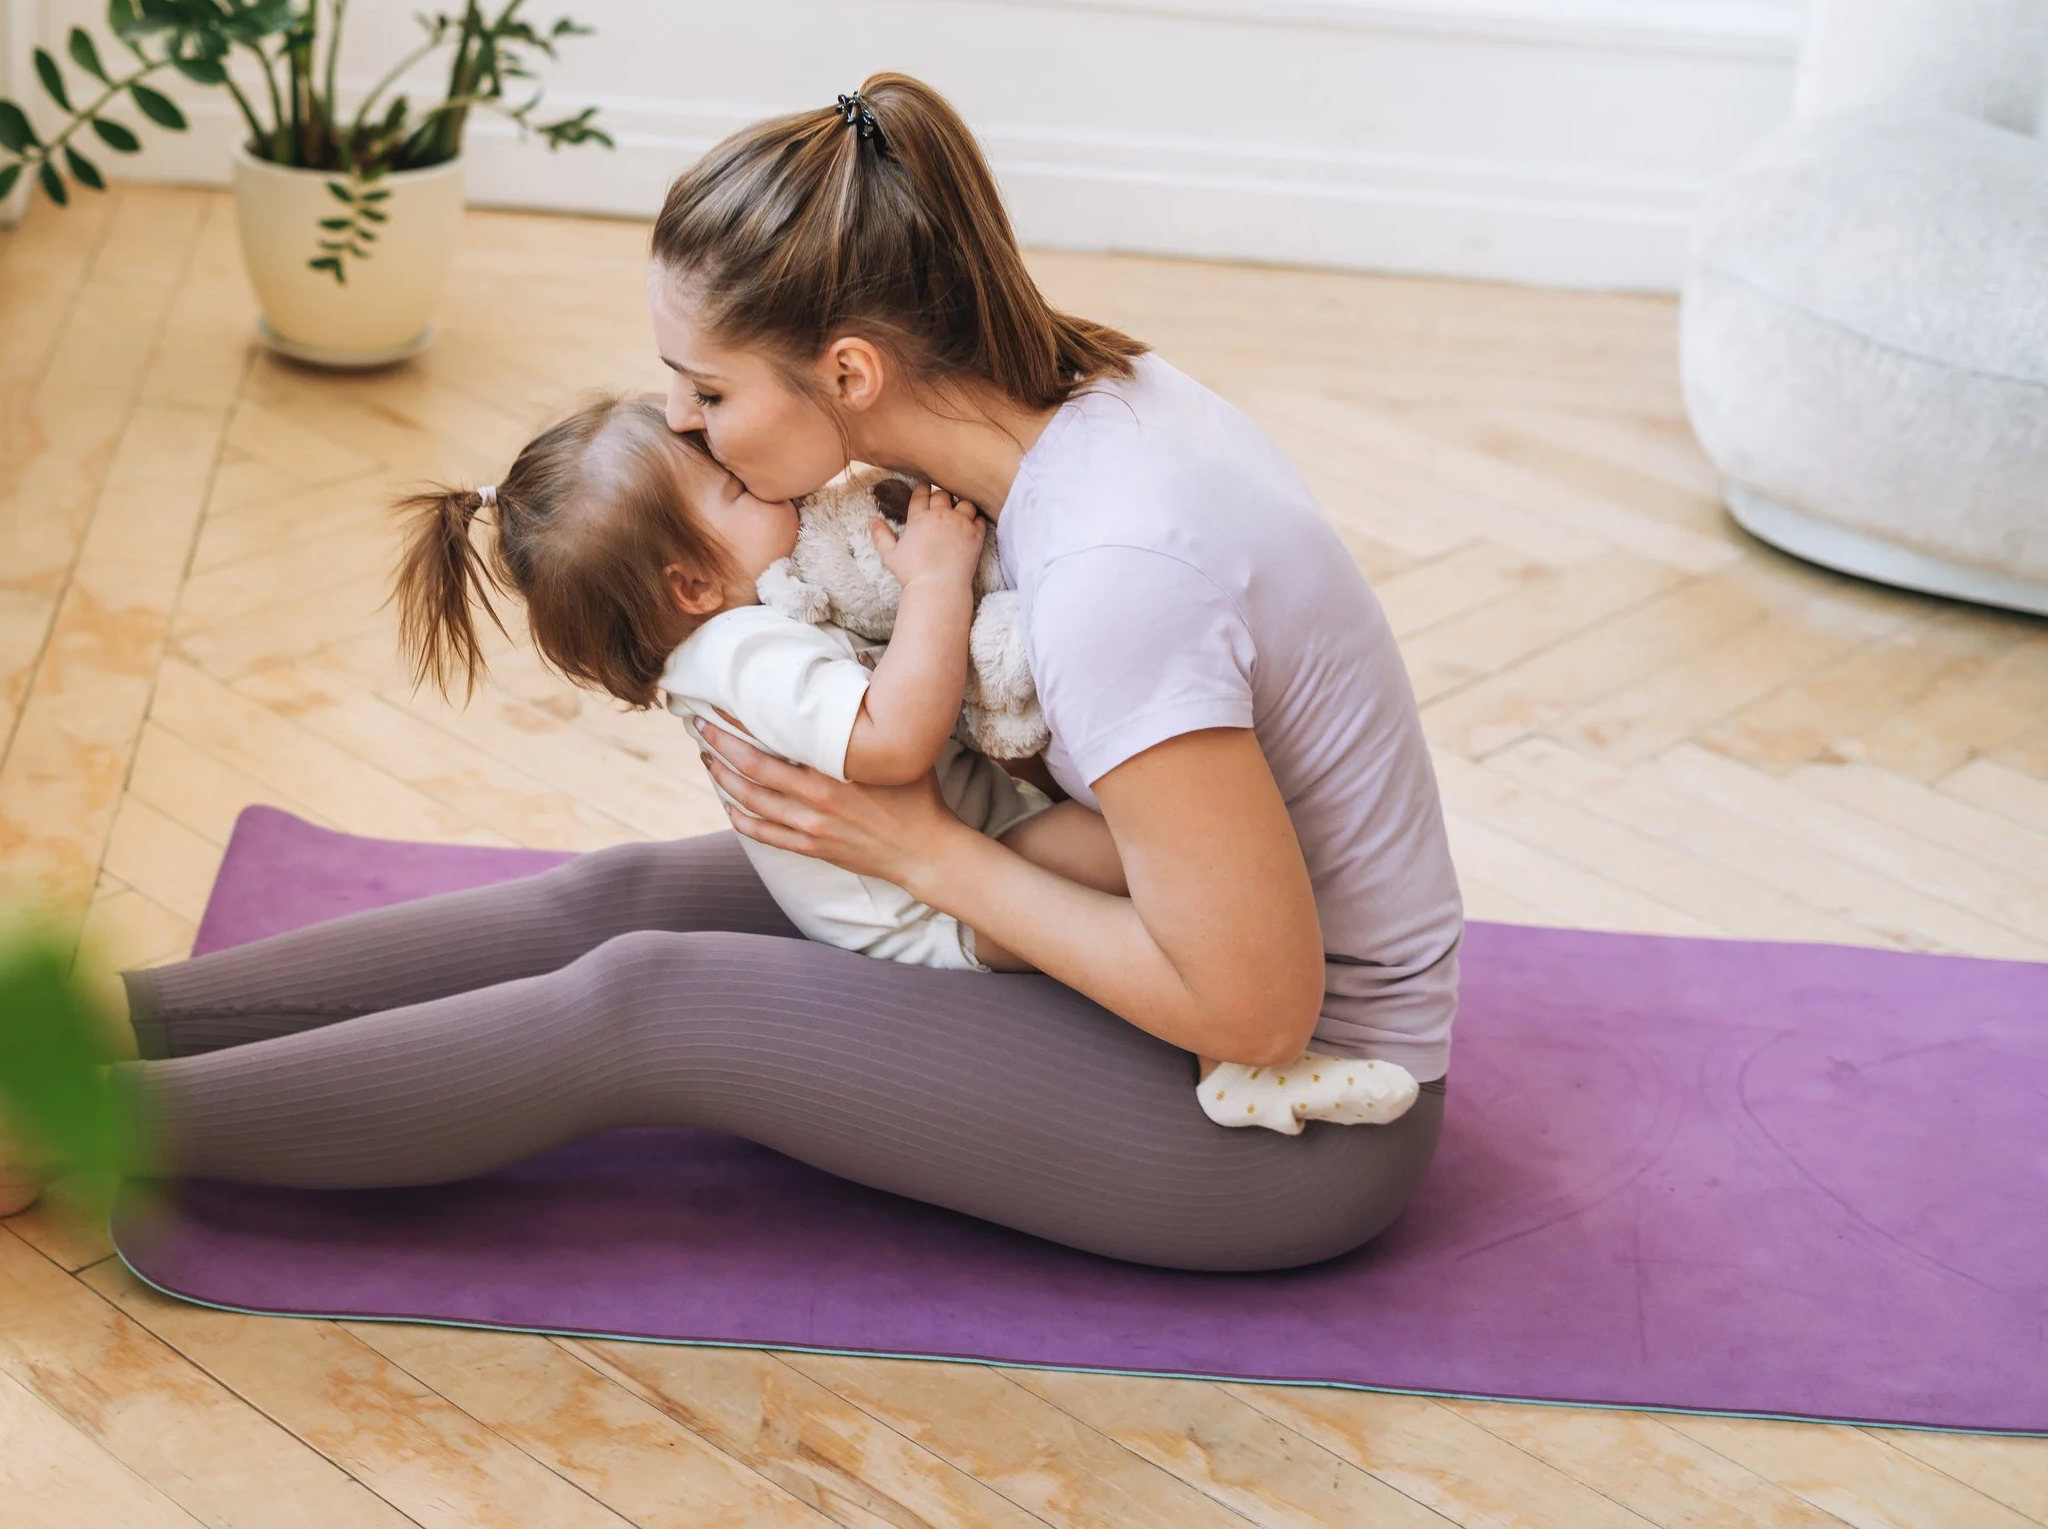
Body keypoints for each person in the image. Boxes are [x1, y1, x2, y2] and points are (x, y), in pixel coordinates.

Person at [0, 71, 1465, 1271]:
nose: (683, 431)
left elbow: (1257, 1007)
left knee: (649, 1001)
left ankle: (48, 1132)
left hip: (1285, 1125)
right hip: (1139, 949)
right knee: (619, 898)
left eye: (701, 395)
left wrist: (923, 848)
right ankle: (84, 1027)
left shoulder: (1122, 569)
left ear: (848, 370)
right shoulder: (1067, 404)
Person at [391, 392, 1420, 1136]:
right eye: (728, 487)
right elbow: (889, 742)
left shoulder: (741, 633)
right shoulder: (742, 652)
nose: (751, 477)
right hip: (930, 916)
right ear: (692, 581)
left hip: (955, 850)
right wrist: (937, 580)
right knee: (1154, 874)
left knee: (1155, 866)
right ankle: (1234, 1061)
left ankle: (1227, 1013)